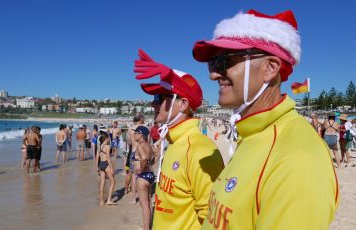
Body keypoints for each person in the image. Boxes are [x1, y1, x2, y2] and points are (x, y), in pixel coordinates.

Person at [192, 9, 338, 228]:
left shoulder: (296, 159)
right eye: (212, 64)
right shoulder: (253, 135)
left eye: (223, 61)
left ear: (270, 68)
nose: (213, 74)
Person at [134, 49, 224, 229]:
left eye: (159, 98)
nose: (153, 103)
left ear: (183, 104)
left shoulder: (199, 150)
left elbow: (212, 219)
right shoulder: (174, 142)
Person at [133, 126, 155, 230]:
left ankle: (146, 228)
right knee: (149, 203)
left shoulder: (140, 145)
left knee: (144, 205)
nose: (134, 134)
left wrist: (141, 170)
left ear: (141, 134)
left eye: (136, 132)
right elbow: (154, 158)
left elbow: (145, 158)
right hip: (150, 175)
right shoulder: (149, 146)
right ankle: (149, 226)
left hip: (142, 176)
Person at [126, 113, 146, 201]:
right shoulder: (144, 128)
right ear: (141, 119)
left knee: (134, 175)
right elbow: (148, 142)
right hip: (142, 153)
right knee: (142, 174)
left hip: (133, 152)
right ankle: (142, 194)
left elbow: (129, 142)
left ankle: (134, 198)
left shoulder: (130, 128)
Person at [95, 131, 116, 206]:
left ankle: (101, 201)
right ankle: (109, 200)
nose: (109, 139)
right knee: (113, 182)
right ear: (106, 139)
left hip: (100, 165)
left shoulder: (99, 146)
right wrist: (112, 168)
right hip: (106, 164)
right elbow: (108, 158)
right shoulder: (107, 146)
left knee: (102, 182)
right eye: (108, 138)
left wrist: (97, 167)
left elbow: (97, 157)